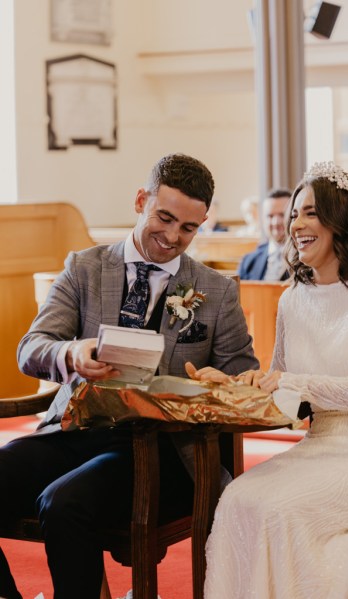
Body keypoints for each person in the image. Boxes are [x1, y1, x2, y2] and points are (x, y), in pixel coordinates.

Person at [0, 153, 259, 599]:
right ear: (141, 200)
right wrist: (72, 352)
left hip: (165, 449)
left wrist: (220, 380)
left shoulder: (216, 291)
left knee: (64, 503)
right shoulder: (83, 267)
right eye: (165, 218)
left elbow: (243, 372)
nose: (173, 237)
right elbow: (31, 348)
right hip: (75, 431)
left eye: (189, 228)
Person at [188, 161, 348, 598]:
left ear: (342, 220)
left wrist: (301, 383)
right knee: (237, 500)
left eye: (311, 213)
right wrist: (233, 386)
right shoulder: (292, 301)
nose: (296, 224)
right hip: (318, 448)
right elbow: (286, 397)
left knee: (280, 509)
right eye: (294, 214)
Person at [238, 188, 291, 280]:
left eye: (282, 215)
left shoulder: (307, 261)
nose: (276, 222)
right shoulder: (248, 262)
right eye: (270, 216)